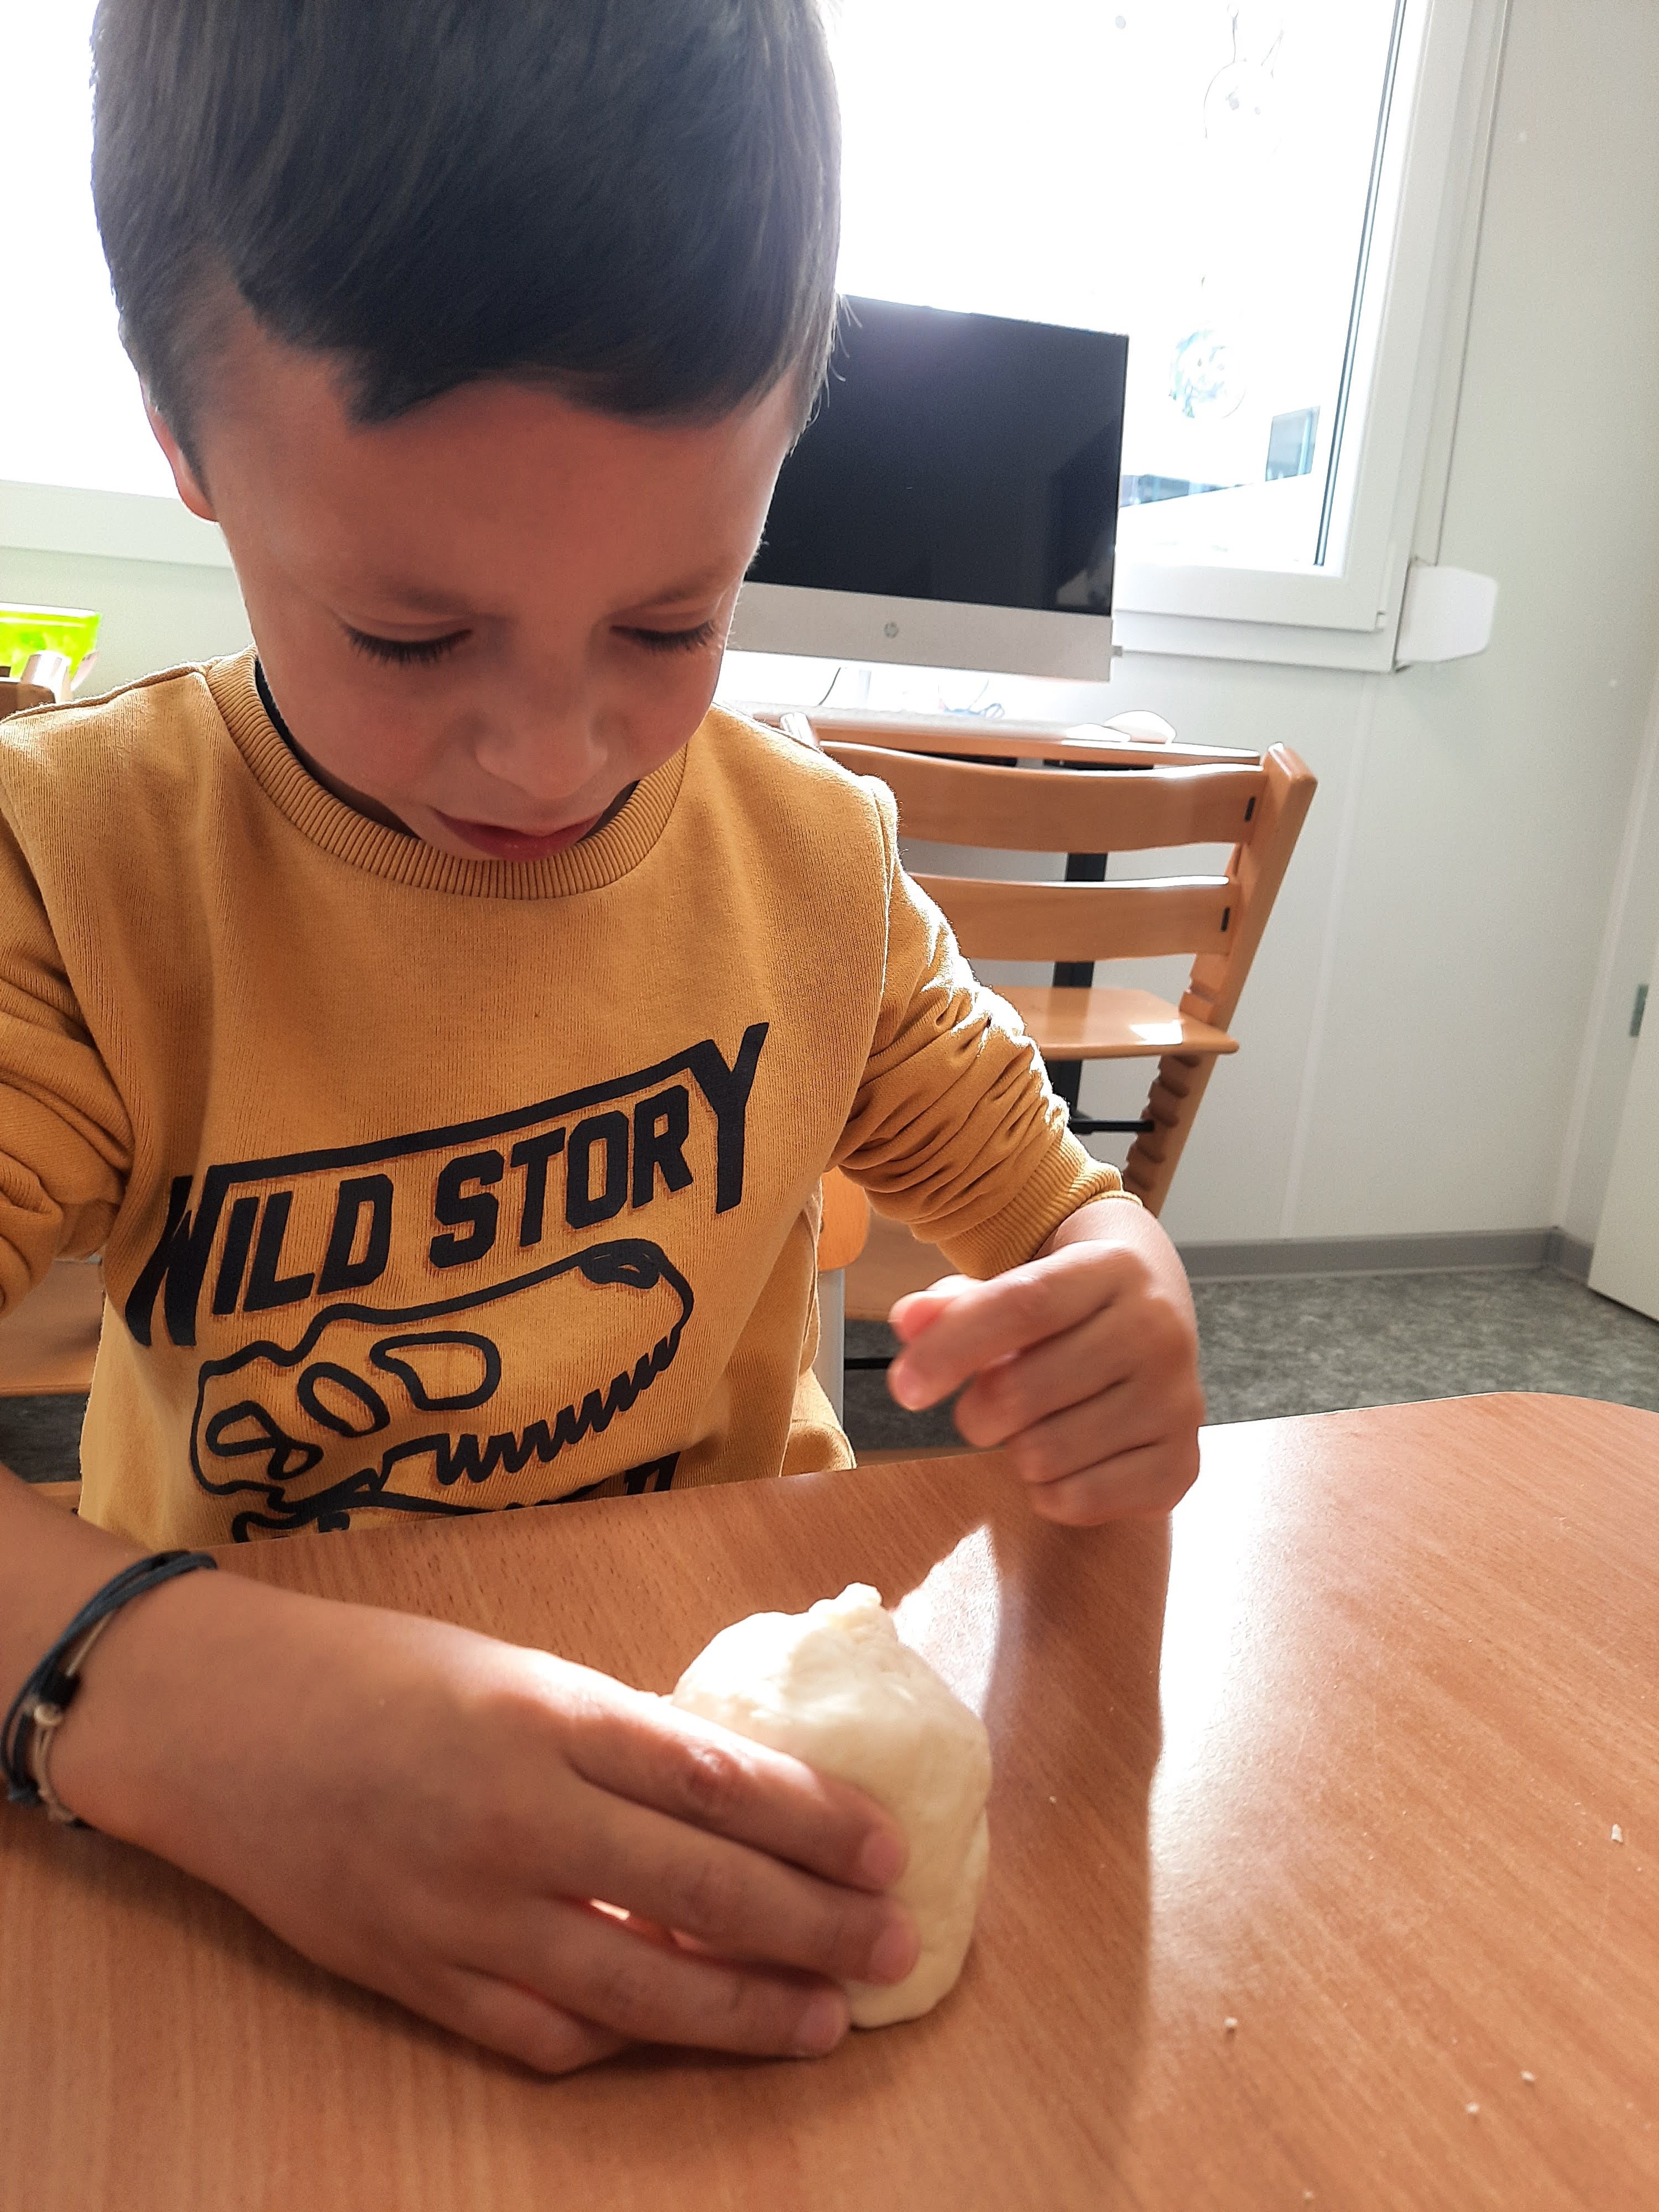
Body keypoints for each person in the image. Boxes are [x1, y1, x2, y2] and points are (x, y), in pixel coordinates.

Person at [0, 0, 1204, 2074]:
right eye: (410, 635)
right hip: (259, 1830)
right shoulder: (82, 882)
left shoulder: (813, 869)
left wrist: (1123, 1301)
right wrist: (168, 1702)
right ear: (184, 444)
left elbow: (1069, 1220)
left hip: (731, 1741)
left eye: (673, 621)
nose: (555, 756)